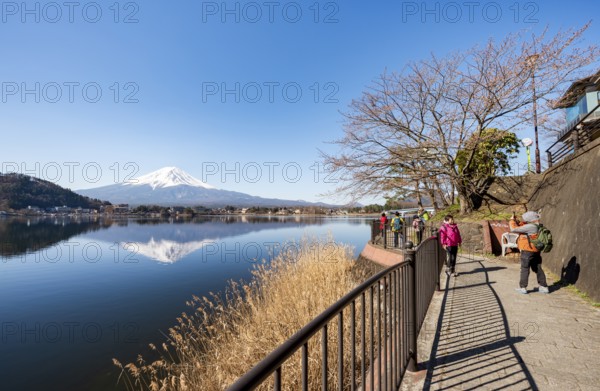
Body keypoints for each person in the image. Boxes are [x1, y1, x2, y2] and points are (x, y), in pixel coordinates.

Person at [510, 211, 549, 294]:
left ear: (529, 219)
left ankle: (523, 288)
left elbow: (513, 229)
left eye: (525, 218)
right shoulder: (537, 225)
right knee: (537, 268)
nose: (524, 219)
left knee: (524, 268)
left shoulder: (530, 227)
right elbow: (523, 226)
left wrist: (512, 221)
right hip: (536, 251)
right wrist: (518, 221)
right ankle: (544, 287)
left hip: (527, 251)